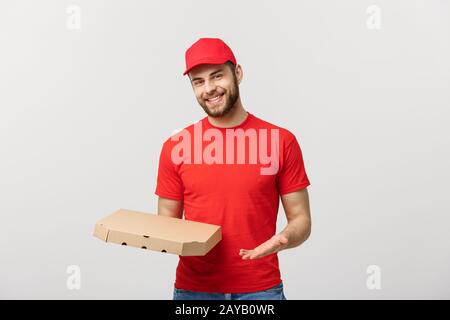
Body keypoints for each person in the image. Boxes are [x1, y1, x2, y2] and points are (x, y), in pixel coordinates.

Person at [155, 38, 312, 300]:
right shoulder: (175, 146)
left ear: (237, 73)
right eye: (198, 81)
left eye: (217, 76)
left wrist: (284, 238)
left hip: (261, 290)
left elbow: (301, 220)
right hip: (195, 292)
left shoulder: (280, 141)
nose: (209, 88)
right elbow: (166, 223)